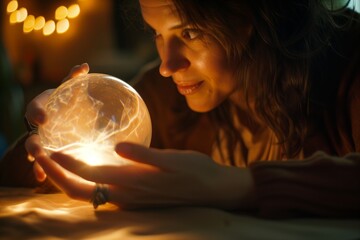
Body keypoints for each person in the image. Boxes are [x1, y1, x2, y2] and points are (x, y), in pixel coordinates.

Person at [2, 0, 360, 218]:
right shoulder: (163, 97)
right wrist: (47, 134)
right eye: (157, 34)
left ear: (250, 17)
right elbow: (9, 180)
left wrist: (234, 186)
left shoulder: (348, 66)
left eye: (189, 33)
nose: (167, 65)